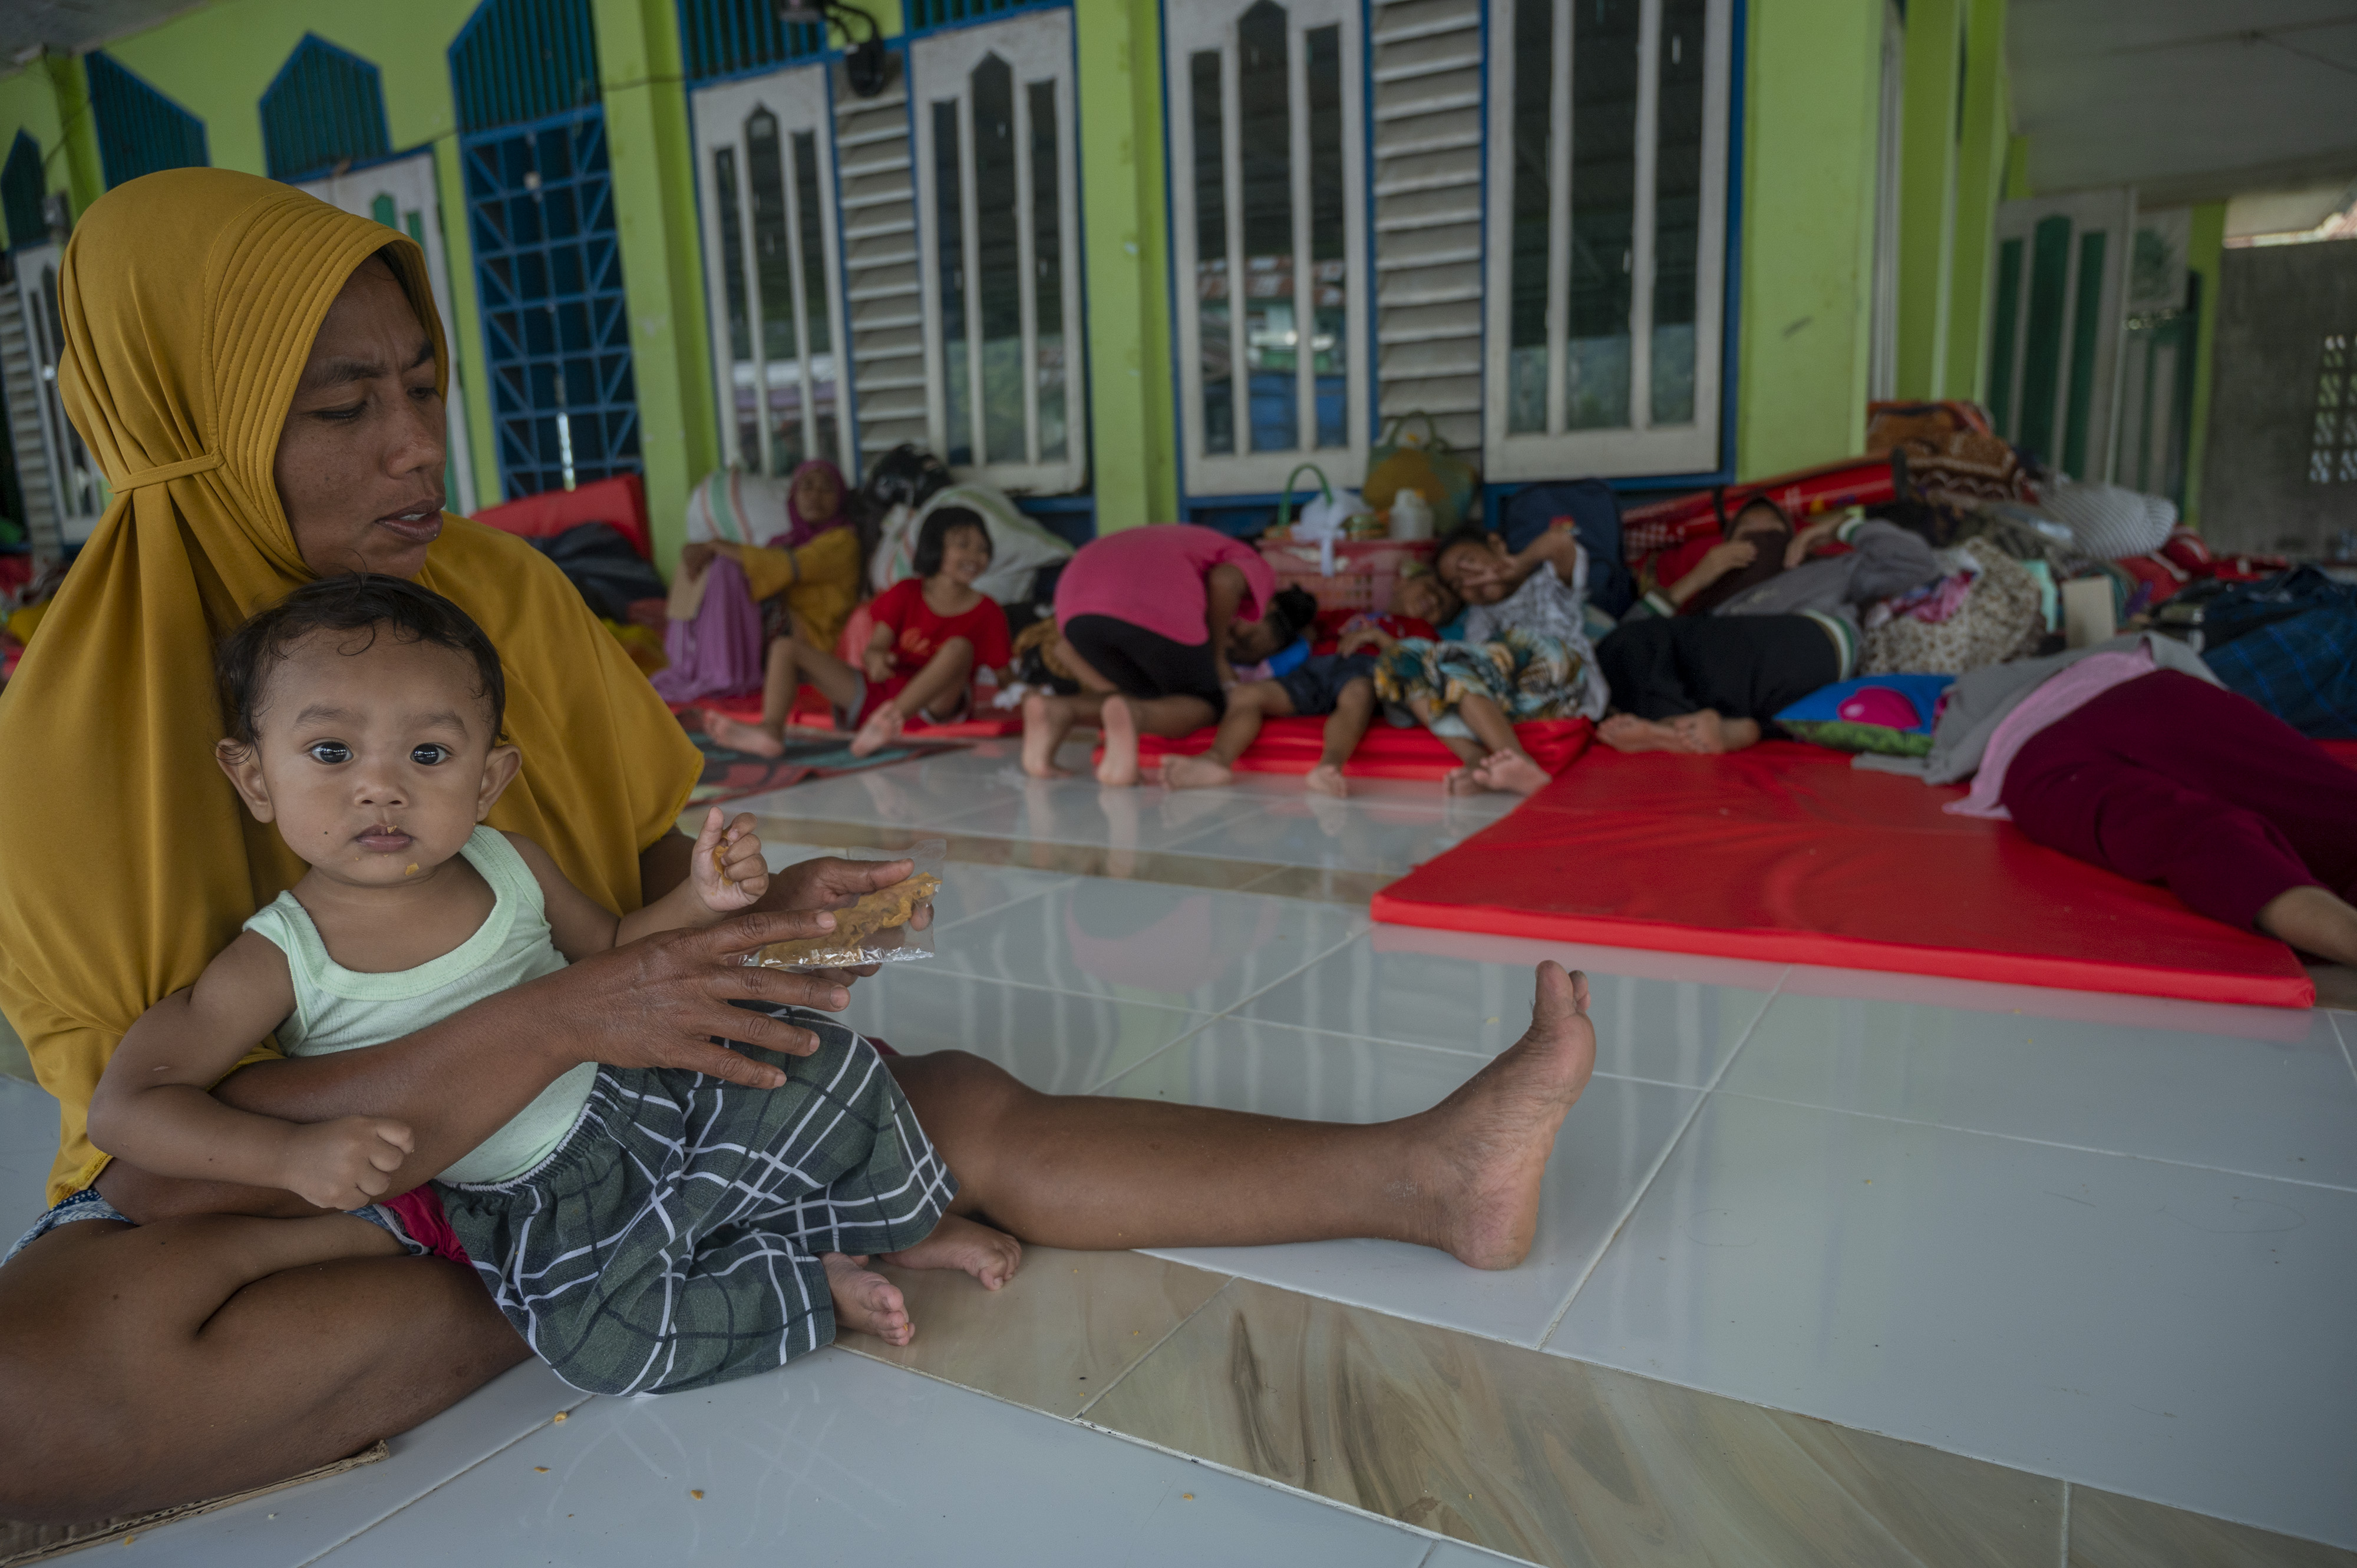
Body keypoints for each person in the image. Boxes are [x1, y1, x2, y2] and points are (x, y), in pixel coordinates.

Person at [0, 170, 1600, 1525]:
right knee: (34, 1398)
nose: (416, 445)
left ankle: (1425, 1174)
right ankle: (667, 1252)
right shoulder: (71, 742)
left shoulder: (496, 601)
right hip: (302, 1198)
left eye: (423, 387)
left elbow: (629, 906)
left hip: (587, 1122)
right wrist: (560, 1022)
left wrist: (752, 927)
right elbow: (156, 1159)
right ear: (187, 418)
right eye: (347, 408)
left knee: (930, 1102)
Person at [85, 575, 1013, 1382]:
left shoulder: (509, 864)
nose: (381, 787)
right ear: (253, 778)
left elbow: (614, 949)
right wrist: (285, 1160)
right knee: (609, 1347)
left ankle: (900, 1220)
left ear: (489, 780)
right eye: (332, 752)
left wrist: (700, 898)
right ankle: (808, 1285)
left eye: (429, 754)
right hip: (531, 1200)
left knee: (826, 1068)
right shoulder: (281, 954)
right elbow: (129, 1105)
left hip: (643, 1096)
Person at [1908, 633, 2357, 961]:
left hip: (2107, 703)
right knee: (2206, 826)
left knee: (2212, 823)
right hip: (2074, 724)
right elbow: (2204, 840)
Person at [1022, 522, 1319, 786]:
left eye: (1235, 650)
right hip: (1147, 606)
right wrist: (1217, 658)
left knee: (1150, 698)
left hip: (1072, 599)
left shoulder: (1197, 546)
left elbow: (1064, 649)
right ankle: (1136, 718)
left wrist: (1117, 693)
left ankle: (1059, 711)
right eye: (1246, 637)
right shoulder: (1258, 570)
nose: (1231, 639)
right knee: (1206, 704)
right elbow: (1225, 582)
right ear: (1270, 607)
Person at [703, 507, 1012, 759]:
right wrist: (876, 659)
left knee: (959, 648)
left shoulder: (988, 611)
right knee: (785, 648)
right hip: (879, 693)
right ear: (935, 546)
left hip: (935, 707)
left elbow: (1004, 676)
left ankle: (889, 722)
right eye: (963, 544)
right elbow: (876, 647)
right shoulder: (906, 592)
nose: (975, 555)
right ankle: (771, 731)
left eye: (983, 548)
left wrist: (1023, 691)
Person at [1163, 573, 1458, 797]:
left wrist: (1380, 639)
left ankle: (1328, 767)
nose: (1433, 600)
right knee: (1247, 694)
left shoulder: (1422, 629)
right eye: (1430, 587)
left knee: (1357, 694)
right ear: (1402, 582)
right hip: (1315, 668)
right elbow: (1302, 624)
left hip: (1367, 669)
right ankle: (1216, 760)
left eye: (1442, 606)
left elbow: (1423, 666)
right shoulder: (1349, 613)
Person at [1386, 527, 1609, 794]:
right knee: (1401, 657)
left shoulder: (1548, 584)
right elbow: (1468, 676)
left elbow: (1560, 541)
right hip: (1511, 703)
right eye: (1458, 584)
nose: (1469, 582)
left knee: (1506, 645)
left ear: (1496, 544)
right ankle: (1480, 762)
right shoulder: (1478, 619)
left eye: (1468, 562)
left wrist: (1519, 564)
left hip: (1563, 679)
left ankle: (1514, 760)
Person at [654, 460, 861, 705]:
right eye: (807, 487)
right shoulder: (787, 540)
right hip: (785, 632)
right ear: (794, 497)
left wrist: (715, 545)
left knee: (727, 570)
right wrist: (704, 553)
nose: (815, 496)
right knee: (713, 570)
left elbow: (784, 566)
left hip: (813, 641)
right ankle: (696, 667)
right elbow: (761, 566)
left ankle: (722, 673)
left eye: (826, 489)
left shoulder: (843, 542)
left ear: (840, 499)